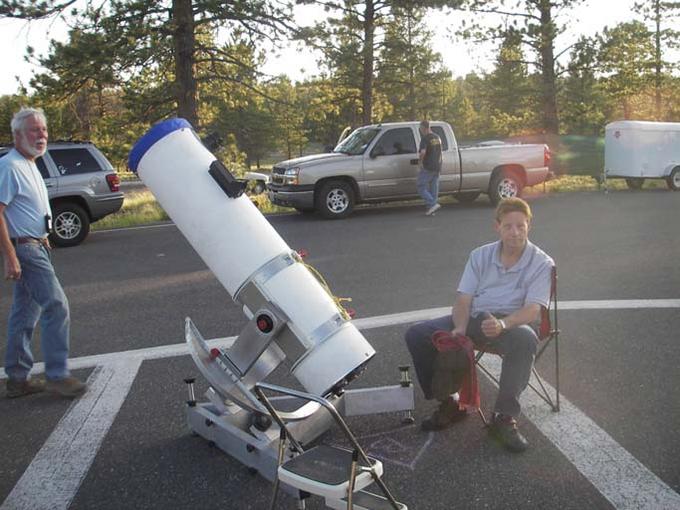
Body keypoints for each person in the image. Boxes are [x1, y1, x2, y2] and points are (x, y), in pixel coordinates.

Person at [405, 197, 553, 452]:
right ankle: (450, 403)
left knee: (526, 339)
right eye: (508, 226)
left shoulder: (542, 262)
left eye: (521, 225)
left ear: (529, 225)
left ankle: (504, 417)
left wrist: (503, 324)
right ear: (498, 227)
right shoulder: (480, 255)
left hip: (510, 323)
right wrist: (460, 329)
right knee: (417, 334)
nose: (515, 232)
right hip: (473, 319)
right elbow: (463, 299)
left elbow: (533, 310)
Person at [0, 107, 87, 398]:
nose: (41, 135)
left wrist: (44, 237)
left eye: (44, 130)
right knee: (56, 306)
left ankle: (16, 378)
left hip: (37, 244)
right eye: (34, 130)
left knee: (24, 314)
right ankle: (57, 376)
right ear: (17, 135)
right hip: (25, 248)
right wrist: (10, 255)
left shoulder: (30, 163)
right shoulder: (10, 166)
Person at [417, 120, 442, 216]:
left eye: (420, 128)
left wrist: (420, 162)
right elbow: (440, 153)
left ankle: (432, 204)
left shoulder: (425, 139)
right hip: (437, 166)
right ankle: (432, 209)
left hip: (428, 166)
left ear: (423, 128)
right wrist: (440, 164)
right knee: (433, 188)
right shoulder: (437, 137)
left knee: (420, 186)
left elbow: (423, 152)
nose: (420, 130)